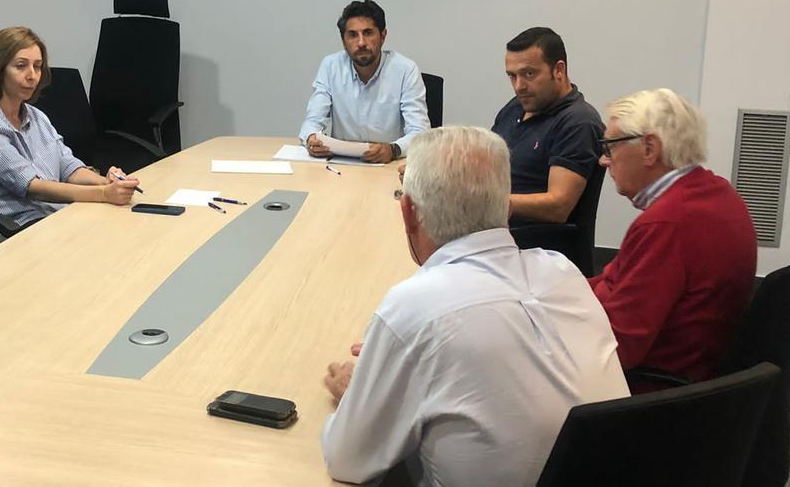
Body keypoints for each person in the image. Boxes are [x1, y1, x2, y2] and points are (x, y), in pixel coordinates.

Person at [320, 126, 628, 485]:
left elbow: (348, 461)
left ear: (408, 213)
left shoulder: (413, 307)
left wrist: (359, 395)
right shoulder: (563, 272)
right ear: (508, 207)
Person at [589, 88, 756, 386]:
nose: (604, 161)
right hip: (696, 382)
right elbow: (617, 279)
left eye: (610, 147)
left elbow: (619, 347)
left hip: (652, 393)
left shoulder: (666, 223)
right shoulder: (719, 193)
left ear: (649, 149)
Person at [0, 26, 139, 228]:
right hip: (15, 229)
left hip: (50, 216)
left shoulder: (36, 117)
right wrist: (104, 194)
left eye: (37, 66)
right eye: (21, 66)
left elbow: (68, 166)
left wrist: (107, 182)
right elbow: (33, 187)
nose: (32, 75)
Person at [491, 27, 604, 223]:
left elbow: (558, 205)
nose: (519, 86)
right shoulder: (515, 107)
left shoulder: (578, 122)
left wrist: (486, 203)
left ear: (558, 70)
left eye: (529, 73)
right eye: (512, 76)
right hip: (493, 233)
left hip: (535, 246)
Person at [300, 0, 430, 162]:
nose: (361, 43)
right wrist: (311, 139)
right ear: (343, 40)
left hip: (388, 164)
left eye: (368, 33)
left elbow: (420, 133)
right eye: (353, 35)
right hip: (341, 165)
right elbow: (313, 120)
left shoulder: (405, 70)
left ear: (383, 36)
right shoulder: (330, 66)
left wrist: (393, 149)